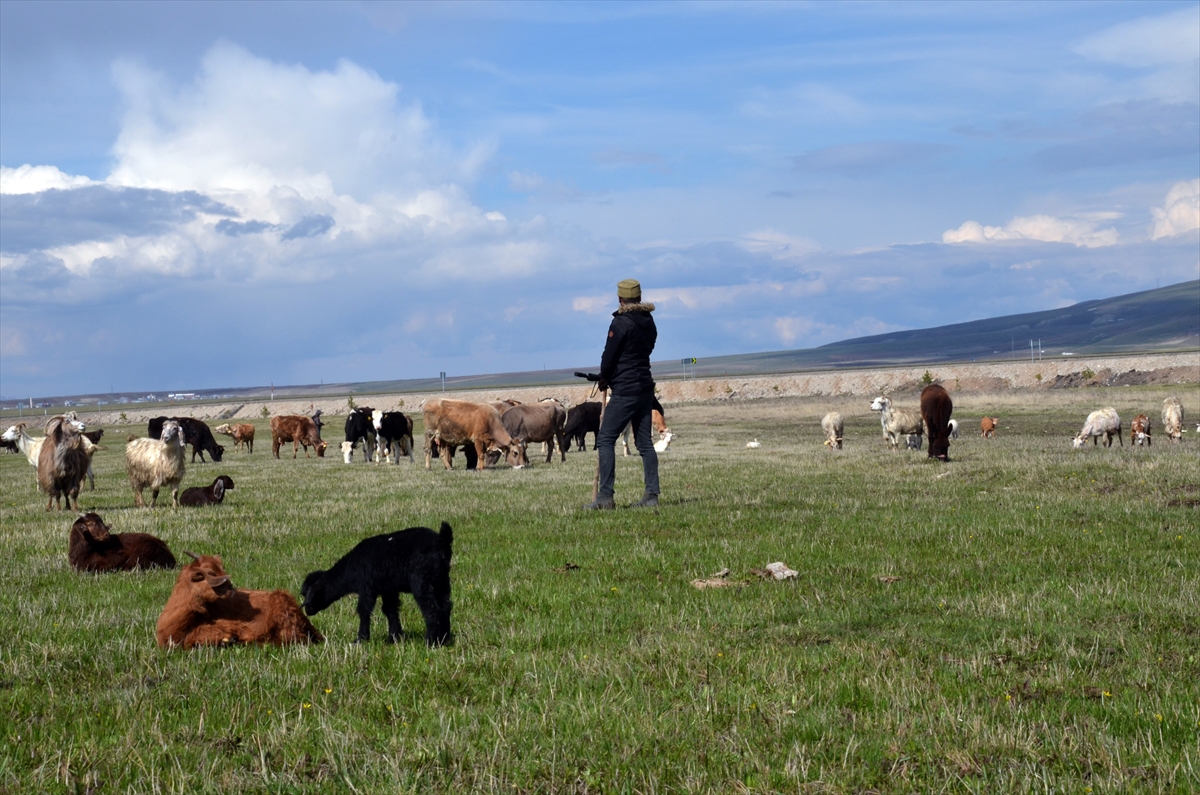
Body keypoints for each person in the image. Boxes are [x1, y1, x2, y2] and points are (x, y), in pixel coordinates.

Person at [583, 279, 660, 510]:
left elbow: (610, 356)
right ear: (639, 297)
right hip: (645, 387)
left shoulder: (620, 322)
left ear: (620, 299)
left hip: (625, 389)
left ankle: (605, 497)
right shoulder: (648, 321)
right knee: (645, 442)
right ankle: (651, 496)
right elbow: (647, 349)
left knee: (605, 439)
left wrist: (605, 376)